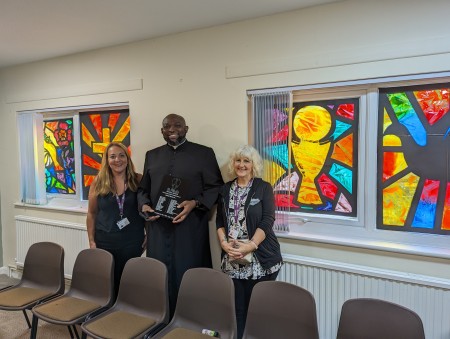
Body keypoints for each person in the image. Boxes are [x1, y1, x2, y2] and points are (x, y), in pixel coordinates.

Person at [138, 113, 223, 316]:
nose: (172, 129)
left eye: (177, 125)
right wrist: (144, 206)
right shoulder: (152, 155)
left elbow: (216, 187)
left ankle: (192, 320)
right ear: (162, 131)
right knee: (160, 276)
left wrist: (194, 203)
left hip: (190, 228)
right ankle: (161, 319)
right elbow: (143, 190)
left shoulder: (203, 154)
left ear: (186, 129)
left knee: (190, 275)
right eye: (167, 126)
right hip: (158, 227)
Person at [216, 145, 283, 339]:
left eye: (246, 161)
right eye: (238, 160)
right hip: (233, 257)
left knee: (259, 310)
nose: (242, 165)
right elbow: (220, 220)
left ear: (254, 165)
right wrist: (222, 242)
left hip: (260, 259)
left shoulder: (263, 188)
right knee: (237, 309)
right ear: (233, 163)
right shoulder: (225, 189)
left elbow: (268, 220)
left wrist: (250, 246)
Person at [86, 142, 146, 297]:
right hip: (105, 240)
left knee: (128, 282)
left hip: (132, 241)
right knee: (106, 282)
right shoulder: (98, 182)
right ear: (107, 160)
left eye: (121, 155)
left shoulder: (139, 180)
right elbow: (92, 213)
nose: (117, 160)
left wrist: (150, 234)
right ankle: (105, 313)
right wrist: (92, 240)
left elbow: (147, 210)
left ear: (127, 158)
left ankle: (126, 316)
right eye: (112, 156)